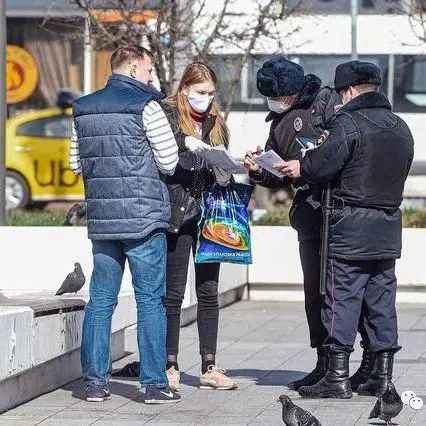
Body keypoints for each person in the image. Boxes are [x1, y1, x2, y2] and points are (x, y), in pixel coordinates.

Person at [276, 60, 414, 399]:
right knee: (381, 301)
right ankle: (381, 376)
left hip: (348, 225)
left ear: (348, 91)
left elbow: (322, 164)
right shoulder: (401, 127)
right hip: (387, 227)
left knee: (341, 298)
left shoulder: (347, 123)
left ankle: (336, 377)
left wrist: (303, 163)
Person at [70, 45, 181, 404]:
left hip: (103, 220)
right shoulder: (147, 106)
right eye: (149, 70)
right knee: (150, 299)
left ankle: (95, 384)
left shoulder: (83, 107)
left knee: (101, 300)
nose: (153, 77)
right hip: (143, 218)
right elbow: (168, 161)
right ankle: (153, 385)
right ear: (133, 68)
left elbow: (76, 165)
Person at [244, 56, 342, 390]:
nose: (271, 102)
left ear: (290, 91)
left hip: (336, 212)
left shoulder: (327, 104)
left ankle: (347, 364)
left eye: (275, 95)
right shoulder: (279, 121)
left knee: (337, 292)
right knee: (313, 292)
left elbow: (343, 152)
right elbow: (277, 177)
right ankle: (323, 361)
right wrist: (260, 168)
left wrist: (307, 165)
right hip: (308, 218)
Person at [161, 62, 237, 392]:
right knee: (173, 294)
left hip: (210, 217)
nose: (206, 99)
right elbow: (163, 160)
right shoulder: (168, 117)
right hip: (178, 215)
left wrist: (226, 167)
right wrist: (185, 144)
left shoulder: (217, 123)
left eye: (210, 93)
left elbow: (223, 167)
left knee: (208, 291)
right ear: (185, 89)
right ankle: (169, 363)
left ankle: (209, 365)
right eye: (200, 92)